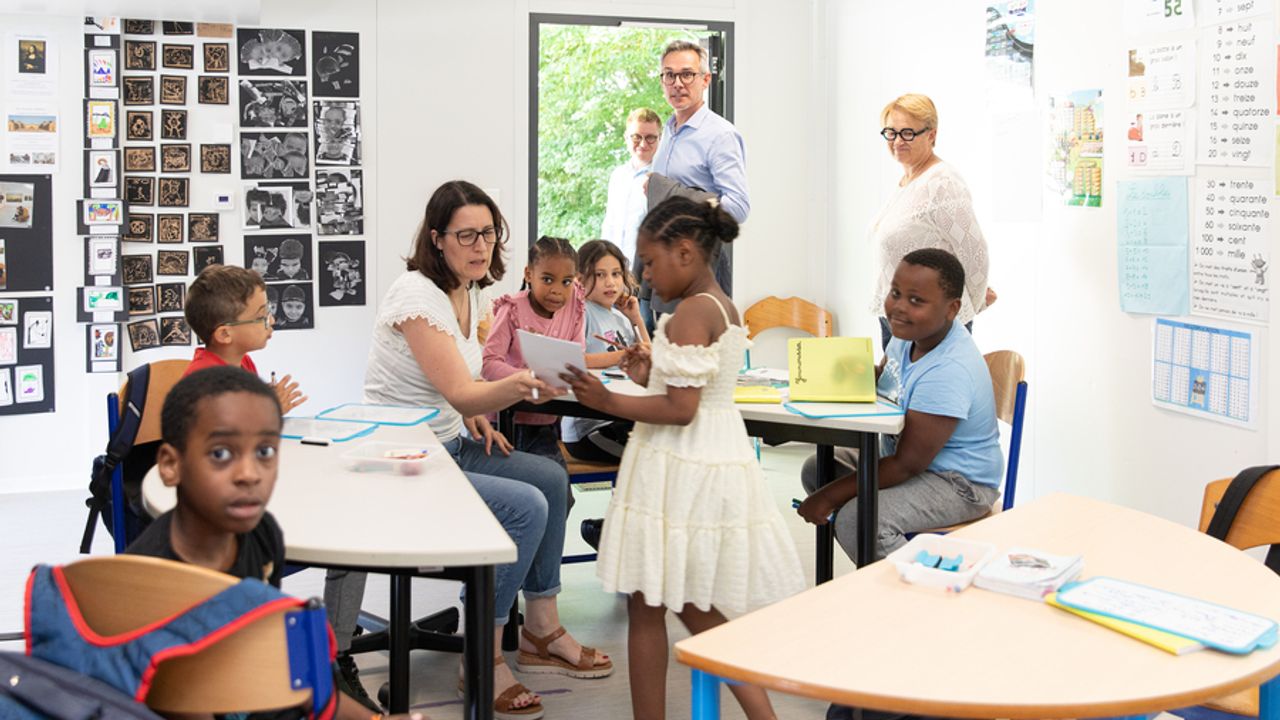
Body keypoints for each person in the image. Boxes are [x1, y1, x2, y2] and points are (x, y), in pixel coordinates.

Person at [325, 180, 612, 720]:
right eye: (466, 235)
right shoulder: (416, 297)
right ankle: (483, 654)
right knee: (525, 505)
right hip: (401, 461)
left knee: (549, 480)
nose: (481, 246)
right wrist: (525, 384)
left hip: (448, 443)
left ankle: (541, 629)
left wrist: (477, 415)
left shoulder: (469, 290)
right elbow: (459, 388)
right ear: (437, 239)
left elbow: (453, 385)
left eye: (488, 233)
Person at [560, 196, 803, 720]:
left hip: (682, 462)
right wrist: (647, 371)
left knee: (652, 599)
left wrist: (603, 400)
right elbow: (684, 386)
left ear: (686, 252)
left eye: (649, 261)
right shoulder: (717, 303)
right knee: (684, 602)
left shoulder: (692, 312)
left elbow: (681, 407)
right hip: (707, 455)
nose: (643, 276)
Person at [124, 366, 423, 719]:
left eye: (264, 451)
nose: (250, 474)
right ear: (171, 465)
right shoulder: (157, 588)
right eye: (221, 454)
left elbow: (290, 678)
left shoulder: (261, 534)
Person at [797, 248, 1003, 560]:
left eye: (916, 300)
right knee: (819, 468)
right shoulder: (909, 335)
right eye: (895, 293)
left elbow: (907, 465)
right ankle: (879, 572)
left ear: (952, 308)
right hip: (907, 460)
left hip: (957, 484)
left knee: (858, 520)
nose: (898, 307)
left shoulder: (949, 370)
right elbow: (887, 382)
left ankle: (918, 597)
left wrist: (827, 498)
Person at [639, 39, 750, 323]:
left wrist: (665, 191)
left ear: (706, 79)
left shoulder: (720, 135)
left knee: (695, 363)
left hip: (697, 272)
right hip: (663, 268)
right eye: (669, 75)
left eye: (687, 74)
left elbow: (737, 208)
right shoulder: (669, 130)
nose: (678, 83)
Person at [871, 93, 993, 349]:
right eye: (891, 132)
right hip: (899, 317)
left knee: (929, 389)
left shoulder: (941, 182)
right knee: (897, 390)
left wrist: (971, 304)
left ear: (931, 135)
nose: (897, 141)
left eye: (907, 133)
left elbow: (974, 251)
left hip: (932, 323)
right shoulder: (908, 181)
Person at [481, 236, 584, 472]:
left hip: (544, 424)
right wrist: (526, 377)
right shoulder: (512, 309)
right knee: (514, 492)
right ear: (529, 274)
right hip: (501, 421)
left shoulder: (575, 307)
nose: (557, 290)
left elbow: (576, 357)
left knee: (558, 490)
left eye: (567, 282)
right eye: (547, 279)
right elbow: (489, 363)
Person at [183, 264, 305, 413]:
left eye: (269, 312)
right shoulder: (204, 383)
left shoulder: (244, 362)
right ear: (225, 334)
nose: (271, 321)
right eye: (262, 316)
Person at [600, 108, 662, 263]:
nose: (642, 143)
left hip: (647, 273)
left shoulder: (664, 178)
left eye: (650, 138)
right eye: (636, 137)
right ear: (626, 138)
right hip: (615, 273)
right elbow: (609, 225)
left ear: (660, 139)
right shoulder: (618, 176)